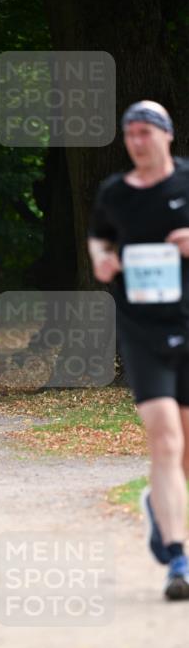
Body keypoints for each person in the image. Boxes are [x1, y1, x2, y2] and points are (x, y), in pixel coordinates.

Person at [88, 100, 189, 601]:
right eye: (129, 133)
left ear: (166, 135)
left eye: (146, 131)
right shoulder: (115, 193)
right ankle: (178, 558)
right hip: (142, 330)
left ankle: (158, 503)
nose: (137, 140)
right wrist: (103, 261)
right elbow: (99, 242)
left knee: (184, 453)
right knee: (166, 441)